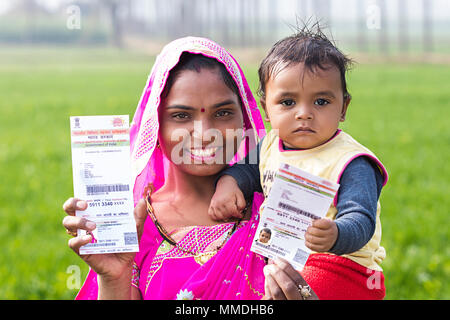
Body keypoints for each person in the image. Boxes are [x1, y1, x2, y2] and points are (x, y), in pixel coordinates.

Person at [62, 37, 318, 300]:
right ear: (155, 125)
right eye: (182, 116)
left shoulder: (278, 211)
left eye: (222, 113)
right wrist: (113, 278)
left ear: (244, 119)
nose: (205, 134)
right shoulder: (134, 226)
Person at [208, 26, 389, 299]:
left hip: (344, 267)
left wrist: (337, 234)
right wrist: (229, 182)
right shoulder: (270, 144)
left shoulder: (351, 161)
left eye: (321, 101)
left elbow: (362, 219)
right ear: (266, 108)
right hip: (287, 256)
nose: (304, 114)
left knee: (290, 287)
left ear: (343, 108)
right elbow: (246, 170)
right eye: (288, 102)